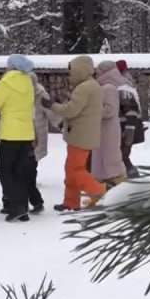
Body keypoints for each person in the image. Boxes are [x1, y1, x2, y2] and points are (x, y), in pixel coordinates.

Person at [0, 55, 37, 222]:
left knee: (5, 171)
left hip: (10, 133)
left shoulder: (6, 83)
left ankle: (16, 206)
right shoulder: (28, 82)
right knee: (19, 172)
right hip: (26, 132)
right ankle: (21, 205)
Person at [51, 55, 105, 212]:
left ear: (80, 71)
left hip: (80, 135)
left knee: (75, 170)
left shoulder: (84, 88)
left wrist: (52, 105)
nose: (70, 75)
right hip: (83, 134)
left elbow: (70, 110)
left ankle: (98, 190)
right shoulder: (92, 86)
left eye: (72, 71)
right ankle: (70, 202)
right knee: (71, 169)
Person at [25, 71, 59, 214]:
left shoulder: (40, 94)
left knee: (29, 170)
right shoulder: (22, 93)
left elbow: (51, 113)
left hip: (36, 136)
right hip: (22, 135)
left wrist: (63, 126)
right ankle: (21, 201)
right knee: (23, 170)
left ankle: (36, 202)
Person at [91, 61, 129, 187]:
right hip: (103, 130)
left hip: (108, 131)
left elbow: (110, 110)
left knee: (111, 161)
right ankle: (101, 191)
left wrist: (91, 109)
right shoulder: (106, 86)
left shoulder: (109, 88)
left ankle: (120, 189)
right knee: (103, 161)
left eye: (99, 71)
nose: (96, 74)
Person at [115, 59, 145, 179]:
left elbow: (130, 109)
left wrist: (129, 128)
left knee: (121, 155)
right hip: (128, 125)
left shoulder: (123, 87)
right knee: (121, 155)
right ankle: (129, 177)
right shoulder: (128, 84)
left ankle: (132, 177)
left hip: (126, 126)